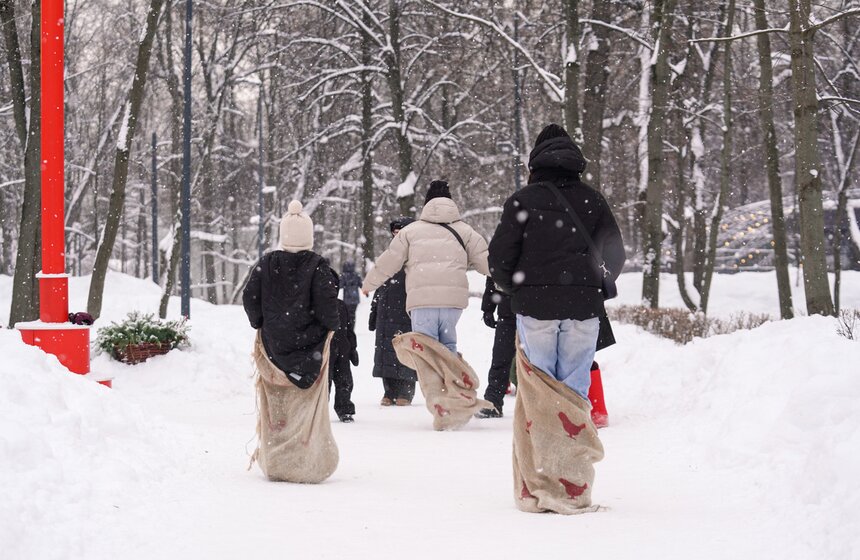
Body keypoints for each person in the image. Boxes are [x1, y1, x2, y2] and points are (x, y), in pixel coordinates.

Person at [488, 123, 626, 400]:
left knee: (540, 386)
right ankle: (573, 426)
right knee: (575, 388)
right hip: (583, 305)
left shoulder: (522, 200)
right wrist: (591, 286)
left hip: (535, 305)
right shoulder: (593, 200)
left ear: (535, 160)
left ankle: (545, 426)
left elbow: (500, 258)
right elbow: (616, 254)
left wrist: (518, 289)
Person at [361, 180, 489, 354]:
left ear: (427, 203)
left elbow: (389, 261)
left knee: (426, 352)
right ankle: (449, 369)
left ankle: (433, 372)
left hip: (422, 303)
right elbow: (487, 262)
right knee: (448, 347)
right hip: (452, 303)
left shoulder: (410, 232)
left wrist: (369, 284)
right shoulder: (466, 232)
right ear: (451, 203)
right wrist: (509, 282)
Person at [243, 200, 340, 388]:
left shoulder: (267, 263)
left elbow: (250, 297)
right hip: (310, 345)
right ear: (308, 236)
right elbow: (326, 302)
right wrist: (333, 325)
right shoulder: (317, 265)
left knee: (275, 392)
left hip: (273, 342)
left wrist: (259, 322)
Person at [369, 217, 417, 406]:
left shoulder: (416, 256)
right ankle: (389, 391)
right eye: (394, 233)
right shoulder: (389, 255)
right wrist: (374, 311)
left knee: (406, 350)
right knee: (386, 350)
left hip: (407, 311)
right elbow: (380, 284)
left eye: (400, 232)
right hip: (386, 310)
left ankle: (406, 391)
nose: (396, 236)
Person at [474, 276, 515, 418]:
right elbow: (494, 272)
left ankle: (537, 405)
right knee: (500, 358)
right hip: (509, 311)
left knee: (536, 363)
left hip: (533, 311)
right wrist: (488, 307)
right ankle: (493, 401)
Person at [328, 271, 359, 422]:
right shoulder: (314, 306)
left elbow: (349, 329)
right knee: (323, 384)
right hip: (324, 352)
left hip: (342, 350)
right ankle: (318, 410)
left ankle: (345, 409)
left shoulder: (341, 305)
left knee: (345, 382)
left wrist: (353, 348)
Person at [340, 260, 362, 325]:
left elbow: (340, 285)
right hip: (355, 299)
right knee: (353, 314)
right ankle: (352, 327)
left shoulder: (344, 276)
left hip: (347, 299)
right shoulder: (356, 275)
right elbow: (361, 285)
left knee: (347, 315)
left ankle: (348, 327)